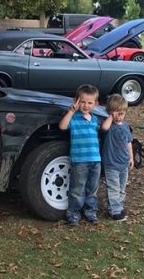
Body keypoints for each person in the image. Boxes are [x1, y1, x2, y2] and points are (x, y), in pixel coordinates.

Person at [59, 84, 101, 226]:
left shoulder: (95, 119)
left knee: (92, 189)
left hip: (95, 160)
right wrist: (71, 111)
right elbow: (62, 126)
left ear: (95, 104)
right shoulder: (74, 118)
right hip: (80, 160)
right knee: (77, 189)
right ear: (76, 101)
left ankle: (90, 212)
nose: (86, 105)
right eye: (82, 101)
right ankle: (74, 214)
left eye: (90, 103)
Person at [101, 94, 133, 221]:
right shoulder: (109, 126)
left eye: (122, 113)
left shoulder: (125, 126)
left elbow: (128, 142)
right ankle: (114, 211)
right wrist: (111, 116)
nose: (119, 116)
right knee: (113, 188)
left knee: (122, 188)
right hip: (111, 164)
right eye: (116, 113)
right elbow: (104, 127)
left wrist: (131, 158)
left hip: (123, 163)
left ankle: (118, 206)